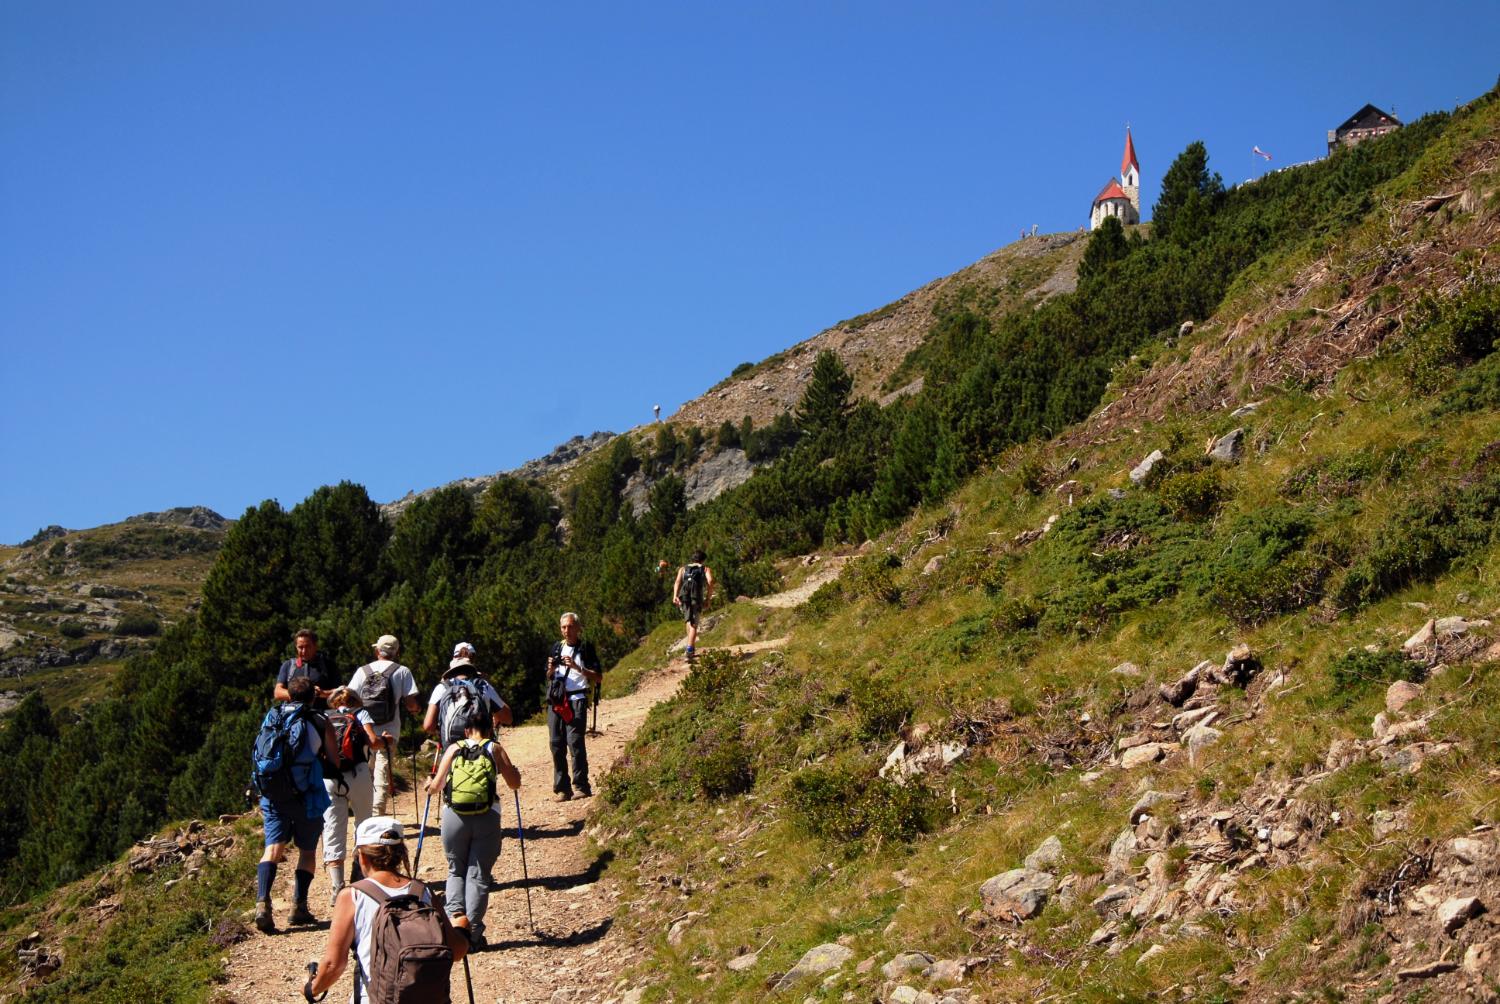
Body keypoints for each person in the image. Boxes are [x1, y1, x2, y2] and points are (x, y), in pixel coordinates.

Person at [305, 816, 470, 1003]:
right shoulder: (423, 892)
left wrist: (312, 989)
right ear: (401, 854)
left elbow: (334, 964)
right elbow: (456, 951)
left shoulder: (352, 895)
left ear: (362, 857)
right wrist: (461, 929)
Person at [425, 709, 521, 950]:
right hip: (487, 816)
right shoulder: (494, 748)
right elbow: (514, 783)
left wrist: (428, 785)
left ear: (466, 730)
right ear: (489, 729)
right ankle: (474, 934)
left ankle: (455, 924)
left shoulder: (454, 748)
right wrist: (515, 774)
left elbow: (435, 787)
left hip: (454, 816)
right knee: (478, 874)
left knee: (456, 868)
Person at [253, 675, 335, 933]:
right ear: (313, 696)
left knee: (273, 849)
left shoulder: (273, 716)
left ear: (288, 694)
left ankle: (262, 903)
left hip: (274, 794)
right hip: (306, 795)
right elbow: (335, 761)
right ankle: (298, 906)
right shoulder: (320, 721)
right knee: (307, 851)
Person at [348, 634, 421, 816]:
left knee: (365, 770)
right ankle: (377, 813)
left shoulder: (362, 671)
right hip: (390, 730)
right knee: (382, 770)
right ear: (396, 652)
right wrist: (416, 709)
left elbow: (349, 698)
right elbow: (411, 704)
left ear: (377, 651)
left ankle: (362, 811)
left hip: (364, 729)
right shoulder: (402, 671)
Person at [319, 687, 379, 904]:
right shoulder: (361, 714)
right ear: (356, 700)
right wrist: (386, 741)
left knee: (332, 828)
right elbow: (373, 742)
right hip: (359, 774)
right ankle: (359, 873)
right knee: (364, 824)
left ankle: (337, 887)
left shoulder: (325, 717)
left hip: (330, 777)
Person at [547, 612, 601, 801]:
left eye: (570, 627)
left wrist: (578, 668)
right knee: (556, 744)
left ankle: (581, 786)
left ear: (578, 628)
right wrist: (551, 669)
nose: (566, 631)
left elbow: (598, 676)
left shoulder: (585, 648)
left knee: (575, 743)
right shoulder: (556, 647)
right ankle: (562, 788)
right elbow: (550, 676)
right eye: (563, 627)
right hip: (557, 700)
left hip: (577, 699)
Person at [422, 642, 512, 747]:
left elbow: (428, 725)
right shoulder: (483, 686)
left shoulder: (442, 688)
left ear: (453, 660)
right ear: (472, 661)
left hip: (452, 753)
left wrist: (442, 730)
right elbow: (508, 718)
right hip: (480, 753)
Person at [274, 628, 337, 711]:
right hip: (294, 717)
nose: (304, 651)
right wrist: (303, 694)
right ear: (296, 647)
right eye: (300, 647)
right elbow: (277, 692)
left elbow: (340, 692)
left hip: (321, 716)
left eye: (307, 647)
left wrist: (322, 693)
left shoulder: (328, 665)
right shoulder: (288, 665)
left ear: (315, 646)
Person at [672, 550, 715, 661]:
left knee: (688, 621)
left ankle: (691, 647)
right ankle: (690, 650)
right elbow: (710, 581)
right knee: (694, 624)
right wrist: (708, 598)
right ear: (703, 560)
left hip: (684, 597)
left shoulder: (683, 569)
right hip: (697, 597)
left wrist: (675, 596)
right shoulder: (705, 569)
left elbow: (677, 582)